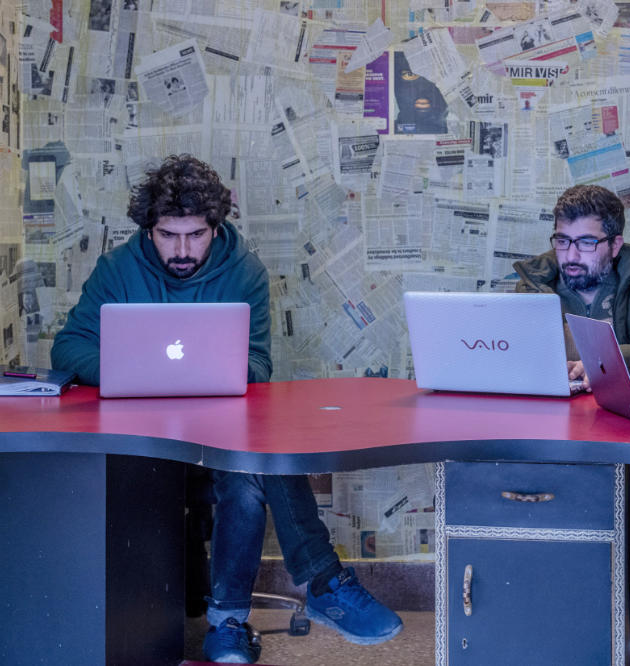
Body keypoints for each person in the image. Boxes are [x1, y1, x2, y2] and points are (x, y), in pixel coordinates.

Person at [51, 155, 402, 664]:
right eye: (168, 235)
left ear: (216, 226)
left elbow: (258, 364)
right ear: (150, 228)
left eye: (195, 235)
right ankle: (319, 583)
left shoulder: (245, 272)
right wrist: (134, 373)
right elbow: (68, 348)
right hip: (139, 446)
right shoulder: (117, 270)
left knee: (247, 472)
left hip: (218, 442)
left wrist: (214, 371)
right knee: (252, 467)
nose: (182, 250)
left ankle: (231, 623)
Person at [513, 184, 630, 653]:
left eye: (586, 242)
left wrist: (601, 364)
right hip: (552, 446)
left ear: (614, 245)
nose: (570, 255)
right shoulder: (534, 284)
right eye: (562, 240)